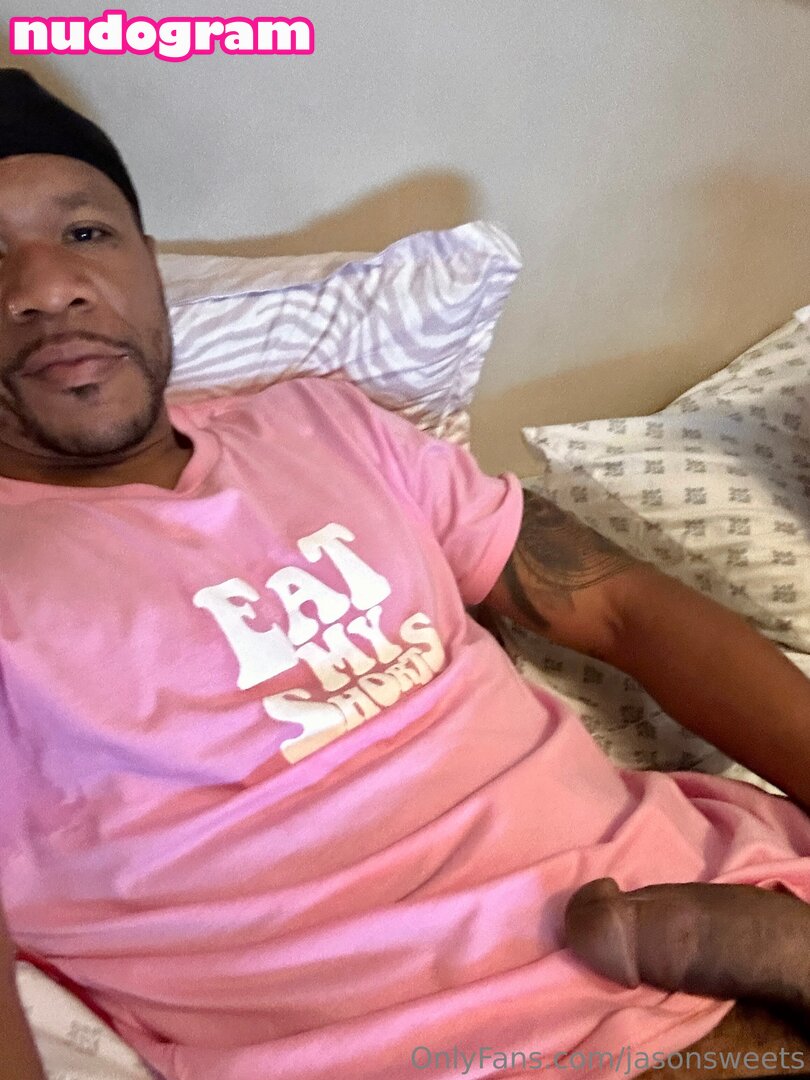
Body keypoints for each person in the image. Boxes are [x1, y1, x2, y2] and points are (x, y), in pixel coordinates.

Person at [0, 69, 807, 1080]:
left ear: (148, 264)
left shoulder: (324, 424)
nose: (48, 287)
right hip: (437, 1045)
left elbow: (616, 604)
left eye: (85, 233)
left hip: (692, 890)